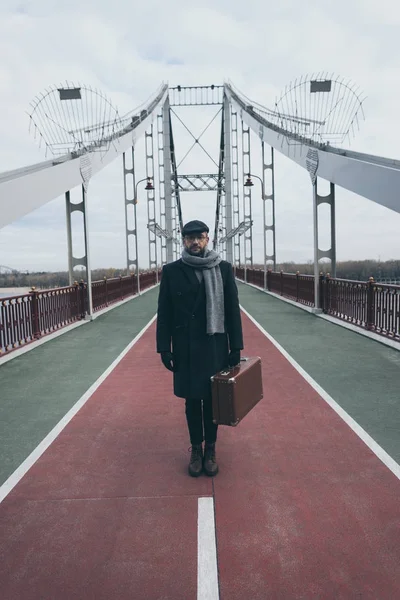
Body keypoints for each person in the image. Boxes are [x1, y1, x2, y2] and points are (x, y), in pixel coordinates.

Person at [156, 220, 244, 477]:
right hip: (185, 346)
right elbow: (165, 313)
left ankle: (211, 449)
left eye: (200, 237)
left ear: (208, 239)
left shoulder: (224, 269)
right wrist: (164, 347)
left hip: (214, 344)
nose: (195, 242)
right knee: (192, 401)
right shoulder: (172, 271)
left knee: (213, 401)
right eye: (190, 238)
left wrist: (235, 346)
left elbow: (232, 311)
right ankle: (196, 448)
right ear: (183, 241)